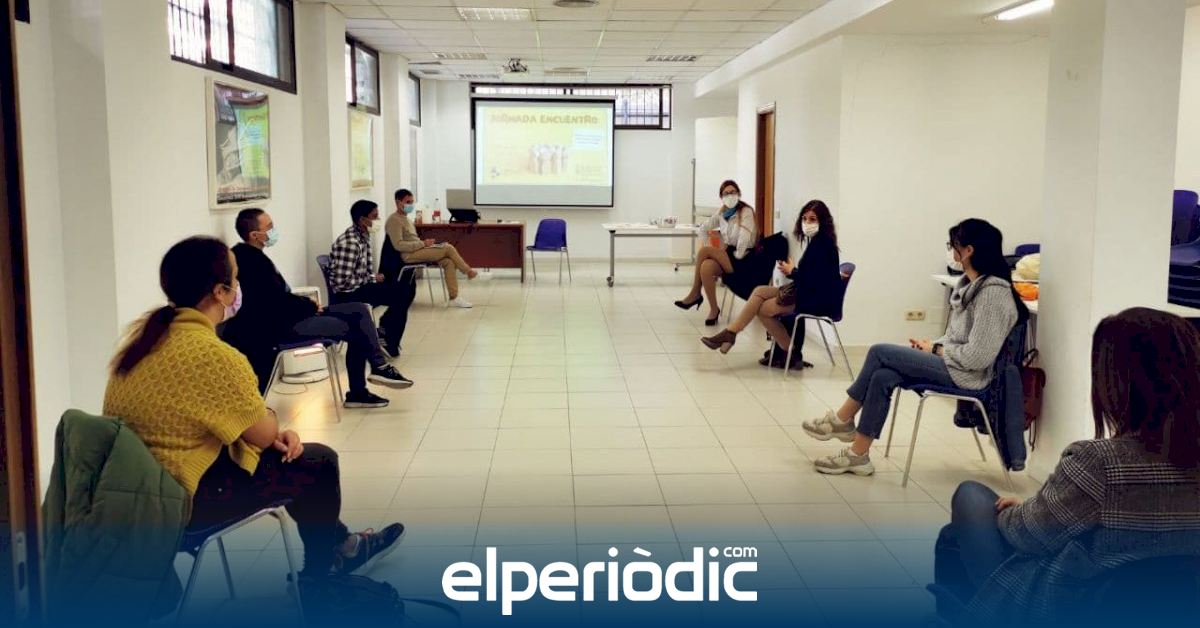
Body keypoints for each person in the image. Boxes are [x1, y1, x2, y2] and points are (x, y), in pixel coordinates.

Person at [102, 236, 405, 592]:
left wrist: (256, 427)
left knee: (292, 459)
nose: (238, 288)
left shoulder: (141, 343)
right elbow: (263, 434)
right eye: (235, 279)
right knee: (317, 463)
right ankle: (322, 578)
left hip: (135, 494)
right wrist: (270, 424)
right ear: (220, 292)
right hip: (181, 502)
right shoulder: (212, 354)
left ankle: (342, 545)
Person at [933, 307, 1200, 624]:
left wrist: (1019, 512)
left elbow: (1030, 535)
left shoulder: (1100, 462)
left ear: (1116, 383)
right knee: (955, 534)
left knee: (971, 497)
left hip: (1073, 604)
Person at [800, 218, 1027, 476]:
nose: (951, 252)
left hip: (968, 376)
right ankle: (858, 455)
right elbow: (957, 338)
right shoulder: (971, 286)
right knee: (883, 375)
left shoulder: (993, 294)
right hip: (955, 365)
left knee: (878, 352)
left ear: (968, 250)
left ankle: (841, 420)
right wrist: (933, 345)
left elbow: (977, 358)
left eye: (953, 245)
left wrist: (935, 350)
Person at [224, 208, 412, 408]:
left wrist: (307, 305)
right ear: (255, 235)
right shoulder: (251, 263)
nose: (274, 230)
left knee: (359, 310)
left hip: (293, 314)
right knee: (358, 326)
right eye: (269, 227)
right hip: (282, 326)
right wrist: (309, 306)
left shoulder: (252, 257)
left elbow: (279, 297)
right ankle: (363, 386)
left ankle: (377, 368)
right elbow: (273, 303)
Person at [700, 200, 842, 369]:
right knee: (759, 291)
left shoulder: (823, 246)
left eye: (812, 219)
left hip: (815, 299)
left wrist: (792, 271)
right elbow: (813, 276)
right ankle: (731, 334)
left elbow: (816, 281)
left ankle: (788, 350)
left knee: (761, 308)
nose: (807, 223)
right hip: (806, 291)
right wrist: (793, 271)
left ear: (823, 221)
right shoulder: (817, 242)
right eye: (804, 218)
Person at [329, 199, 416, 357]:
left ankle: (386, 333)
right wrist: (371, 278)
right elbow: (342, 283)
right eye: (374, 217)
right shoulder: (350, 243)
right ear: (362, 220)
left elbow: (360, 272)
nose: (378, 220)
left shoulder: (363, 236)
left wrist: (372, 277)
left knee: (404, 291)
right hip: (348, 294)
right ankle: (387, 337)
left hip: (360, 287)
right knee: (401, 295)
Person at [674, 180, 758, 325]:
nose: (730, 196)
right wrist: (711, 251)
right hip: (729, 254)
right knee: (706, 267)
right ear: (721, 197)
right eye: (726, 193)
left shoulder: (746, 211)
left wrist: (736, 255)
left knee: (705, 251)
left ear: (738, 194)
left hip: (745, 257)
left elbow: (744, 238)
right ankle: (714, 310)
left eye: (733, 192)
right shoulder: (722, 213)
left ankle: (695, 292)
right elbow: (702, 229)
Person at [382, 189, 478, 309]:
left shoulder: (407, 219)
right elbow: (398, 245)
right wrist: (423, 243)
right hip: (409, 255)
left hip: (418, 250)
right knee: (448, 248)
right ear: (398, 202)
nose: (410, 205)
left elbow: (413, 240)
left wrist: (425, 244)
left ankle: (454, 298)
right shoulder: (394, 220)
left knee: (449, 262)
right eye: (407, 202)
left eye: (412, 202)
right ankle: (468, 271)